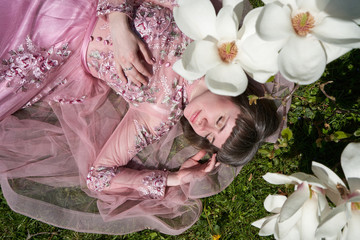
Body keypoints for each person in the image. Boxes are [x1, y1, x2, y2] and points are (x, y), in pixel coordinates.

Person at [0, 0, 286, 235]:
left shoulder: (159, 115)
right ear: (235, 92)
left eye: (210, 137)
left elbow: (98, 178)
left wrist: (175, 179)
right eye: (220, 120)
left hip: (56, 55)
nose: (202, 125)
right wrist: (119, 25)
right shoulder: (202, 37)